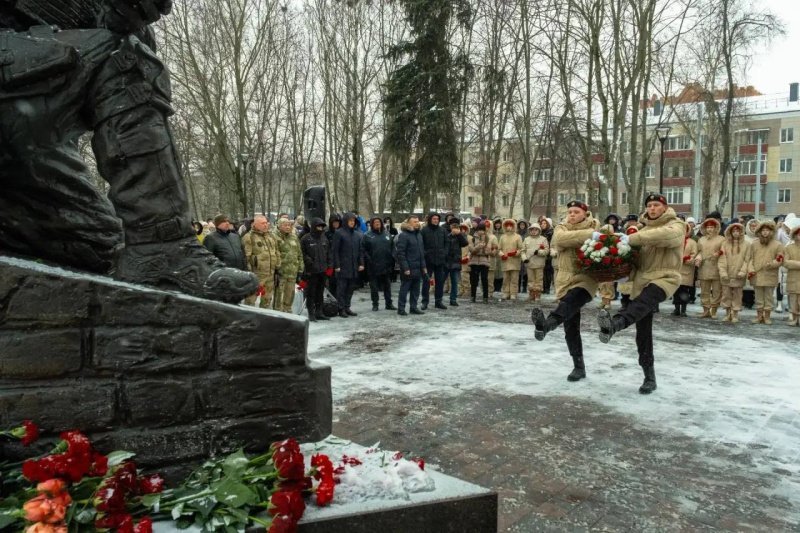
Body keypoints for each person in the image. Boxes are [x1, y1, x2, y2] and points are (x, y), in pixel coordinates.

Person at [0, 1, 257, 304]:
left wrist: (119, 13)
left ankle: (154, 249)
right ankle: (161, 242)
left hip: (21, 157)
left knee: (102, 248)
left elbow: (127, 31)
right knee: (121, 59)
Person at [596, 193, 684, 394]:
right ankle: (649, 377)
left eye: (656, 205)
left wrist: (632, 238)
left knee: (645, 300)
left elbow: (666, 237)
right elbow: (637, 260)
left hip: (665, 278)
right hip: (641, 280)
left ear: (664, 207)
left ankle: (615, 323)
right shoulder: (642, 229)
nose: (652, 209)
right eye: (649, 205)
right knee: (643, 333)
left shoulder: (676, 225)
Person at [531, 200, 598, 382]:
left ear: (585, 213)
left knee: (571, 301)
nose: (572, 214)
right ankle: (578, 367)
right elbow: (558, 240)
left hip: (586, 278)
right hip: (565, 279)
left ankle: (547, 325)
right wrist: (586, 236)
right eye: (570, 211)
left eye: (576, 211)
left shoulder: (596, 225)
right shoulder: (561, 227)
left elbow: (596, 235)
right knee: (571, 327)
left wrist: (582, 236)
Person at [243, 215, 281, 309]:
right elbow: (246, 257)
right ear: (255, 224)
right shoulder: (249, 237)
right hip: (256, 275)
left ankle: (265, 320)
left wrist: (278, 267)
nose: (265, 225)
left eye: (266, 223)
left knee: (267, 299)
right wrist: (249, 274)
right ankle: (249, 320)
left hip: (270, 274)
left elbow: (276, 252)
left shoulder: (271, 236)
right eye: (262, 223)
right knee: (250, 300)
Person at [749, 220, 783, 324]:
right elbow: (750, 259)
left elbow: (780, 259)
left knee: (768, 297)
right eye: (763, 230)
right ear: (759, 231)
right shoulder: (754, 244)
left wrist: (772, 264)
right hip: (757, 275)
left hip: (770, 275)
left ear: (771, 231)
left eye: (767, 230)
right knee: (758, 297)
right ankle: (759, 316)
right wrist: (750, 269)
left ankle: (767, 317)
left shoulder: (777, 245)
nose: (765, 232)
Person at [331, 212, 364, 317]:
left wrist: (361, 263)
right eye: (350, 221)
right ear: (345, 221)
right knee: (341, 288)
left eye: (353, 221)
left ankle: (347, 307)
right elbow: (335, 250)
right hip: (342, 266)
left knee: (351, 288)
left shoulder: (358, 234)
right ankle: (341, 309)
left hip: (354, 266)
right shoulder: (339, 233)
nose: (352, 223)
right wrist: (336, 265)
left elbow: (361, 251)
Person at [717, 222, 751, 323]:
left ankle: (735, 314)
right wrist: (723, 272)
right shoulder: (725, 244)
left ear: (741, 232)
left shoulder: (746, 244)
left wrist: (743, 271)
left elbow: (747, 259)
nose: (736, 233)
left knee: (737, 295)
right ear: (730, 232)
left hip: (738, 274)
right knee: (726, 295)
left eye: (738, 231)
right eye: (734, 231)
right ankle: (727, 313)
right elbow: (721, 259)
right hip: (727, 274)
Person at [362, 217, 396, 311]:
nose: (377, 223)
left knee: (387, 286)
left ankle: (389, 303)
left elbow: (393, 247)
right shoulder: (367, 235)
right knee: (374, 287)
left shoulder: (387, 234)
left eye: (379, 222)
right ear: (372, 224)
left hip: (386, 264)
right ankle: (375, 304)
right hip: (373, 266)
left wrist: (392, 256)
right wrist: (369, 259)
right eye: (375, 222)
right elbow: (363, 250)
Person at [300, 218, 332, 321]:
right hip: (311, 271)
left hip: (322, 270)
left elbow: (328, 253)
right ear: (313, 227)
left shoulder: (324, 238)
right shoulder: (305, 238)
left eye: (322, 227)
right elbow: (301, 253)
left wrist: (329, 266)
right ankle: (311, 313)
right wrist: (308, 261)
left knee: (320, 292)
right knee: (311, 293)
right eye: (318, 226)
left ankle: (319, 312)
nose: (320, 228)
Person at [395, 215, 427, 315]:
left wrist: (424, 267)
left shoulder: (419, 235)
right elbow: (401, 253)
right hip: (408, 267)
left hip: (418, 267)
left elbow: (421, 253)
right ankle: (401, 308)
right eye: (414, 222)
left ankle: (413, 307)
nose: (417, 223)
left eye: (418, 221)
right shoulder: (404, 235)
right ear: (408, 223)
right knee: (405, 289)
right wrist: (405, 268)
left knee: (416, 289)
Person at [694, 218, 725, 318]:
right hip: (704, 267)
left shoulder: (721, 239)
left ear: (716, 228)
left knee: (716, 291)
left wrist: (719, 253)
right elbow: (699, 252)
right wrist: (698, 258)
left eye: (712, 227)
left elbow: (724, 251)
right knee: (704, 291)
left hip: (716, 267)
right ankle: (706, 309)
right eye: (707, 227)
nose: (709, 229)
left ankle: (714, 310)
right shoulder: (701, 239)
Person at [273, 218, 304, 313]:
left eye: (289, 225)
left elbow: (299, 254)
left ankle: (288, 310)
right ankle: (278, 313)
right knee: (279, 295)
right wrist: (276, 269)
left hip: (292, 272)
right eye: (285, 225)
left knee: (290, 294)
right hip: (281, 272)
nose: (287, 227)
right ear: (279, 226)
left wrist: (300, 268)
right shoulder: (274, 237)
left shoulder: (294, 237)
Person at [420, 213, 448, 310]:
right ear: (430, 219)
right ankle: (425, 301)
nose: (436, 220)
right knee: (426, 282)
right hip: (428, 260)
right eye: (434, 219)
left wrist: (444, 253)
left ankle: (438, 301)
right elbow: (421, 245)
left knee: (440, 281)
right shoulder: (424, 230)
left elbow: (446, 244)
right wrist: (425, 254)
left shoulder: (442, 230)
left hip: (440, 260)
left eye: (437, 219)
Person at [671, 223, 697, 317]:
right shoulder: (675, 241)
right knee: (676, 291)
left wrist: (687, 259)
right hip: (676, 269)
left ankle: (683, 310)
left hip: (686, 270)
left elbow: (694, 254)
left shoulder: (692, 242)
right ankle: (676, 309)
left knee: (684, 291)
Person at [468, 223, 497, 303]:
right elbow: (471, 250)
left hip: (484, 262)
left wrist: (487, 250)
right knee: (474, 280)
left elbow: (494, 251)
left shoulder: (488, 239)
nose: (481, 232)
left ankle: (485, 297)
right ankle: (473, 296)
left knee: (485, 279)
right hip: (474, 261)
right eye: (479, 230)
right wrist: (478, 247)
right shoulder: (472, 239)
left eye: (482, 230)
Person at [497, 219, 523, 300]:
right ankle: (506, 292)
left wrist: (516, 253)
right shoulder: (502, 237)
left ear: (513, 226)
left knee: (514, 279)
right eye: (507, 225)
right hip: (505, 261)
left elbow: (521, 249)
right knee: (505, 278)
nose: (509, 227)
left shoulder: (518, 237)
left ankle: (513, 293)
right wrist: (501, 255)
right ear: (504, 226)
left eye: (510, 225)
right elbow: (499, 249)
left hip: (515, 261)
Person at [444, 218, 468, 306]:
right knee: (441, 281)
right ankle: (438, 299)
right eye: (452, 226)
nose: (454, 227)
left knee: (454, 282)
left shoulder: (460, 235)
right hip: (446, 261)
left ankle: (453, 299)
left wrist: (459, 234)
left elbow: (465, 243)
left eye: (455, 226)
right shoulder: (446, 234)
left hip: (456, 262)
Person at [522, 223, 548, 302]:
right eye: (532, 230)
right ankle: (531, 294)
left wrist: (539, 252)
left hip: (539, 264)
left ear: (539, 230)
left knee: (538, 280)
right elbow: (522, 251)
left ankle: (537, 294)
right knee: (530, 280)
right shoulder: (526, 239)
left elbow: (546, 251)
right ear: (530, 230)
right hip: (529, 263)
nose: (534, 231)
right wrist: (524, 259)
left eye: (536, 230)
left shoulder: (543, 239)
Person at [783, 223, 800, 326]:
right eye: (798, 234)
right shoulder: (789, 248)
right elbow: (785, 262)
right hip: (793, 278)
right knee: (793, 300)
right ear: (795, 235)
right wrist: (798, 264)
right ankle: (794, 318)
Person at [538, 217, 555, 294]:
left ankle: (547, 288)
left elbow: (552, 244)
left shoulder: (551, 233)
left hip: (548, 255)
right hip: (540, 254)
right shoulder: (539, 233)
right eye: (541, 223)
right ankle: (542, 287)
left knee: (548, 272)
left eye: (545, 223)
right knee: (541, 272)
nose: (543, 225)